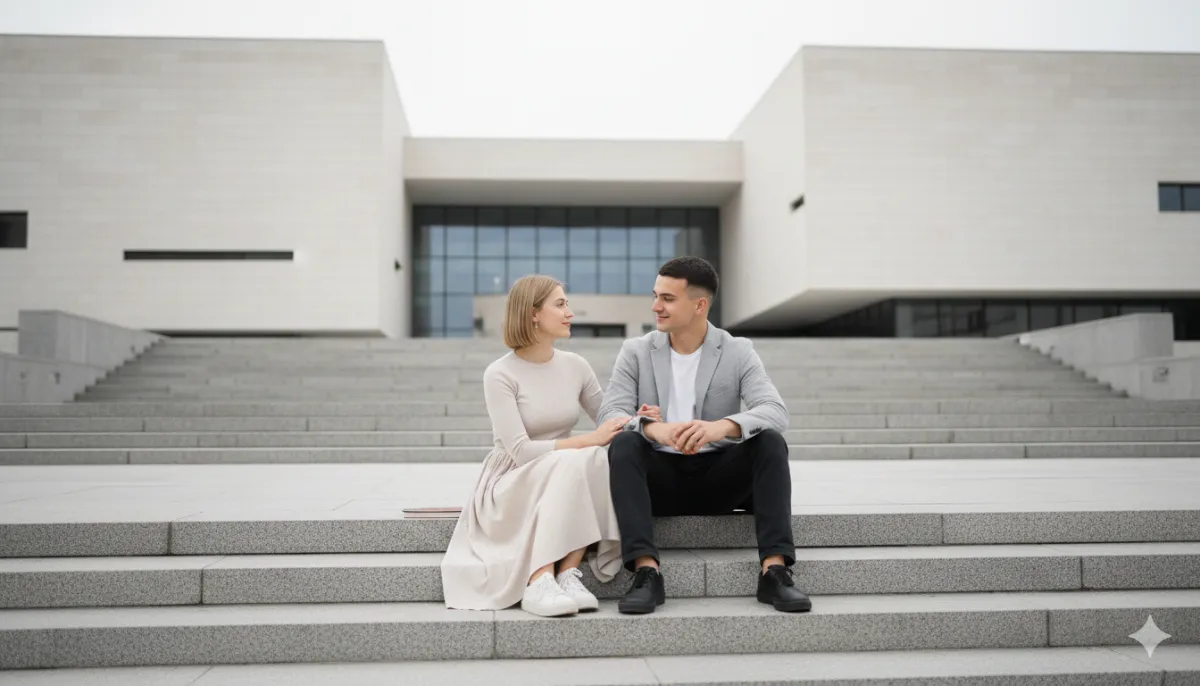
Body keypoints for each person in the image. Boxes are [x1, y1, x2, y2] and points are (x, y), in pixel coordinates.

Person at [597, 256, 812, 615]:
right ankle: (647, 574)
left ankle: (774, 572)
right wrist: (654, 428)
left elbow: (776, 411)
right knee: (624, 443)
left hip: (720, 479)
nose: (655, 306)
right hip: (658, 482)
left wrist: (722, 426)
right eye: (655, 296)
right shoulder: (635, 351)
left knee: (771, 441)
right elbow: (610, 415)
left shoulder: (737, 349)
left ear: (699, 305)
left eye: (667, 298)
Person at [441, 275, 629, 617]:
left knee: (594, 458)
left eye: (567, 303)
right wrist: (589, 440)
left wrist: (636, 418)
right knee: (583, 454)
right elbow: (522, 451)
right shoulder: (500, 374)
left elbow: (607, 416)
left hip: (563, 470)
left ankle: (568, 572)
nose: (570, 312)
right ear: (532, 314)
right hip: (512, 479)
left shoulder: (576, 365)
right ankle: (539, 578)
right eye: (560, 304)